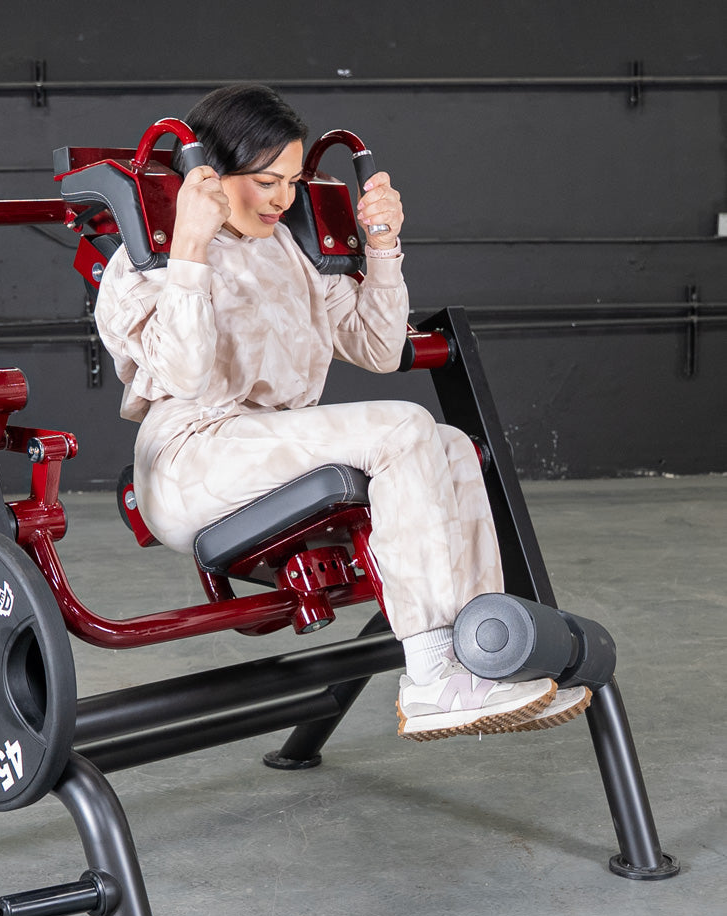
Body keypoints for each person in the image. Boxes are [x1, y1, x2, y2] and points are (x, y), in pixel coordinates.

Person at [94, 83, 589, 742]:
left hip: (266, 444)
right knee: (403, 428)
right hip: (191, 458)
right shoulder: (144, 262)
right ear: (206, 176)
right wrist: (189, 250)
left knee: (447, 447)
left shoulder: (287, 252)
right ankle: (433, 674)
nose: (281, 199)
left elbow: (380, 348)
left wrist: (382, 246)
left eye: (292, 182)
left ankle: (481, 658)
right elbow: (183, 373)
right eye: (265, 181)